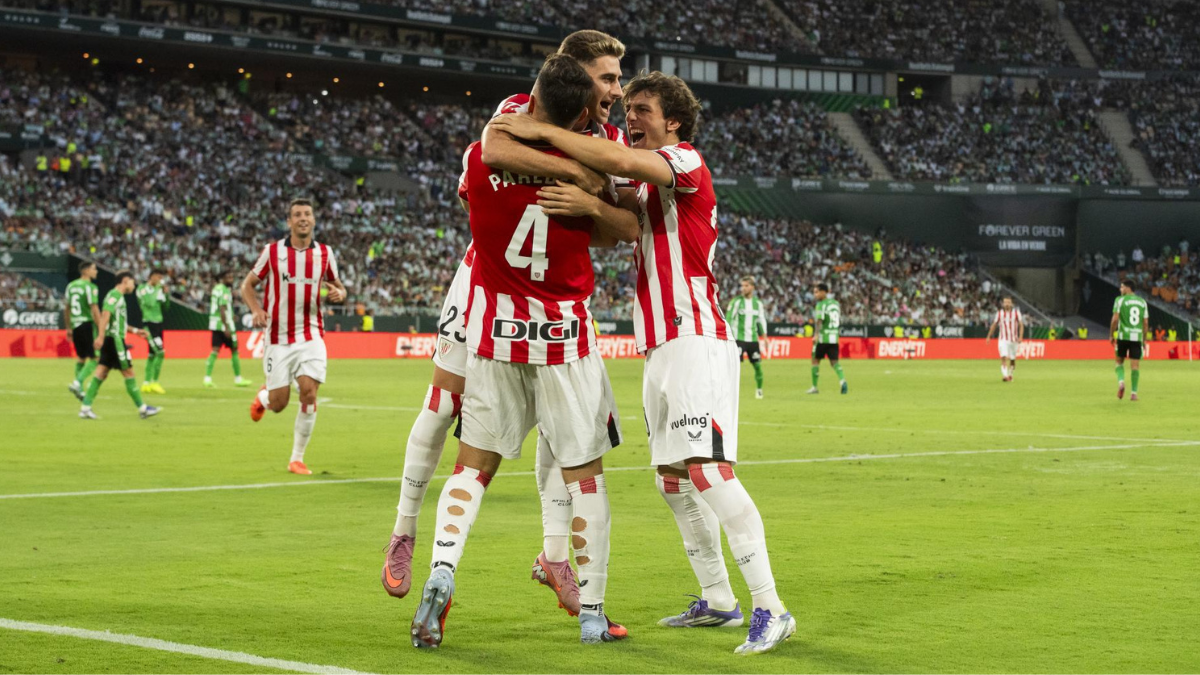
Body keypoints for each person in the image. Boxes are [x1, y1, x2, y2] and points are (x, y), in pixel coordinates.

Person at [492, 70, 796, 654]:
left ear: (673, 121)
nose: (630, 116)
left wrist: (538, 131)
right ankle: (719, 600)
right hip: (659, 347)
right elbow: (611, 195)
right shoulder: (648, 186)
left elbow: (618, 165)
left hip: (695, 337)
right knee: (673, 481)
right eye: (626, 107)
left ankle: (771, 606)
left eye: (642, 109)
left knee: (708, 472)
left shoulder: (684, 161)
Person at [382, 29, 632, 632]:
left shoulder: (604, 136)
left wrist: (589, 198)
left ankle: (549, 557)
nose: (617, 91)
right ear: (573, 78)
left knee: (527, 444)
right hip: (491, 291)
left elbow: (609, 215)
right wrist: (582, 174)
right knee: (444, 404)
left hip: (507, 308)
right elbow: (496, 149)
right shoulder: (516, 112)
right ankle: (403, 532)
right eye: (607, 78)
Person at [243, 198, 347, 474]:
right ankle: (264, 398)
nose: (303, 218)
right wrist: (256, 309)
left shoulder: (325, 253)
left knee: (309, 393)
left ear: (313, 220)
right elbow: (247, 285)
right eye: (297, 215)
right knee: (279, 404)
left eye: (307, 214)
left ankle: (296, 458)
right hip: (277, 337)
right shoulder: (272, 252)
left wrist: (340, 293)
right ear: (289, 222)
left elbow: (339, 286)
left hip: (311, 335)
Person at [78, 271, 161, 420]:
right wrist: (100, 337)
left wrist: (136, 331)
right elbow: (105, 315)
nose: (134, 285)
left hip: (112, 339)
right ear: (125, 281)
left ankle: (85, 407)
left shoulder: (117, 297)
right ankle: (142, 408)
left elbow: (118, 322)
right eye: (132, 282)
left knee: (101, 373)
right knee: (129, 373)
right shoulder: (114, 296)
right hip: (114, 341)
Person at [205, 270, 251, 389]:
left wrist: (231, 316)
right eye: (228, 277)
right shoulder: (224, 290)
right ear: (223, 278)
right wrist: (226, 326)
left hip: (215, 323)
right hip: (224, 324)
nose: (231, 279)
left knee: (215, 350)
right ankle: (238, 378)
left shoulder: (216, 288)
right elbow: (222, 307)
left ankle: (207, 378)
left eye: (232, 277)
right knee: (235, 349)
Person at [65, 261, 101, 401]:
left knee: (81, 357)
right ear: (85, 271)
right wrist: (100, 328)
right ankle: (77, 382)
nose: (96, 271)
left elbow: (66, 308)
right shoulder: (90, 287)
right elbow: (94, 309)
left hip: (75, 325)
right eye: (94, 269)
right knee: (95, 358)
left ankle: (78, 389)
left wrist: (68, 328)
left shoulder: (71, 286)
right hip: (86, 324)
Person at [727, 275, 768, 399]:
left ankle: (759, 390)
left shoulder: (758, 304)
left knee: (757, 366)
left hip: (753, 340)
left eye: (746, 286)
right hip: (738, 339)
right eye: (742, 286)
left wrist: (765, 337)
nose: (743, 288)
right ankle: (729, 392)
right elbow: (729, 318)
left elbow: (761, 320)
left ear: (753, 287)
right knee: (733, 366)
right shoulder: (736, 301)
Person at [1111, 281, 1149, 401]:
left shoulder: (1120, 300)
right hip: (1136, 337)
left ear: (1128, 288)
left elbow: (1115, 319)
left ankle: (1121, 382)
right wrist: (1144, 339)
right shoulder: (1143, 302)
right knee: (1135, 366)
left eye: (1122, 287)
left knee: (1118, 362)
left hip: (1123, 336)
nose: (1120, 289)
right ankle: (1134, 393)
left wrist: (1111, 334)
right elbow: (1145, 323)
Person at [808, 283, 847, 395]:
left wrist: (816, 335)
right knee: (834, 362)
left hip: (822, 338)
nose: (815, 295)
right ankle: (842, 381)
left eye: (817, 292)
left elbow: (819, 321)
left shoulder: (820, 305)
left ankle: (814, 387)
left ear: (824, 292)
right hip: (834, 337)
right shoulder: (836, 304)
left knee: (815, 360)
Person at [136, 268, 169, 394]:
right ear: (152, 277)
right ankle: (154, 382)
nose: (160, 280)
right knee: (160, 352)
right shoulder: (142, 289)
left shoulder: (159, 290)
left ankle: (146, 383)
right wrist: (158, 290)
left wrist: (166, 294)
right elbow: (149, 303)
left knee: (151, 355)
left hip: (159, 324)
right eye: (158, 277)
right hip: (148, 324)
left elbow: (166, 307)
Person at [985, 296, 1024, 382]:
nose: (1007, 304)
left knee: (1012, 359)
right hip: (1003, 339)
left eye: (1008, 302)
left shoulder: (1017, 313)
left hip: (1014, 340)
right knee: (1003, 357)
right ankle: (1005, 375)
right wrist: (989, 336)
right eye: (1005, 302)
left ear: (1011, 304)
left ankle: (1010, 374)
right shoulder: (999, 313)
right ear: (1003, 304)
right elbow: (994, 325)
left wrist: (1020, 336)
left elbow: (1021, 325)